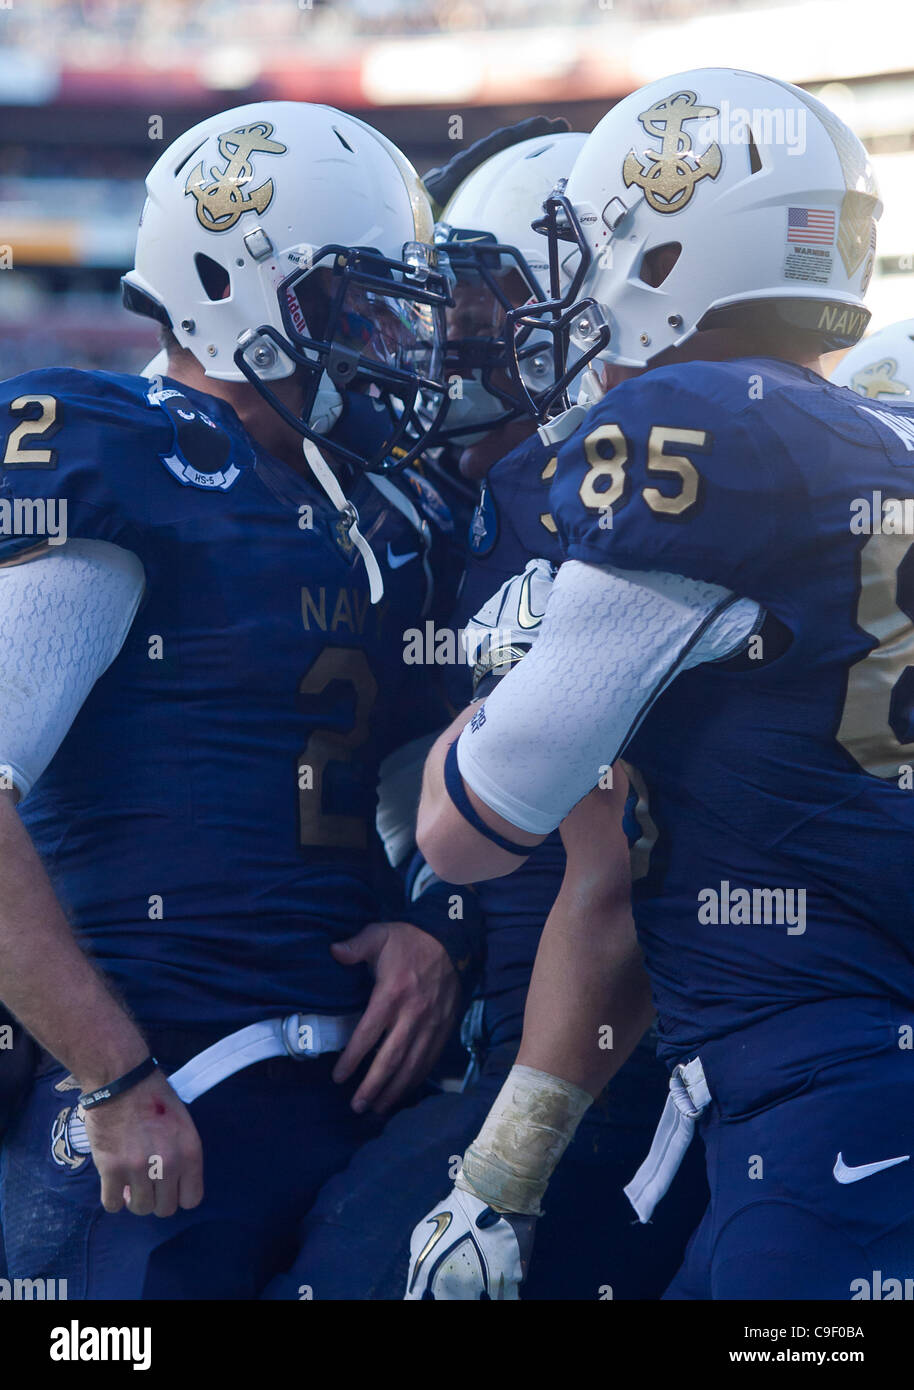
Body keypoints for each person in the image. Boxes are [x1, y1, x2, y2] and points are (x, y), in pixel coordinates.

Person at [407, 68, 914, 1302]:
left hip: (822, 1079)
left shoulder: (687, 426)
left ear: (664, 252)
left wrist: (511, 666)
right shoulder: (881, 432)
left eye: (589, 247)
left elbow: (473, 825)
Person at [0, 99, 479, 1299]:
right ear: (234, 289)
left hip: (344, 1089)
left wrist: (435, 926)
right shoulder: (116, 451)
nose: (389, 334)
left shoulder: (381, 512)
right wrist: (114, 1075)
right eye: (352, 301)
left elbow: (485, 777)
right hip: (156, 1098)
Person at [262, 129, 706, 1300]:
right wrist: (433, 922)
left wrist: (503, 1163)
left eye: (483, 313)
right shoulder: (455, 501)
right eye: (442, 310)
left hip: (619, 1051)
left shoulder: (611, 488)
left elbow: (607, 861)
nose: (444, 345)